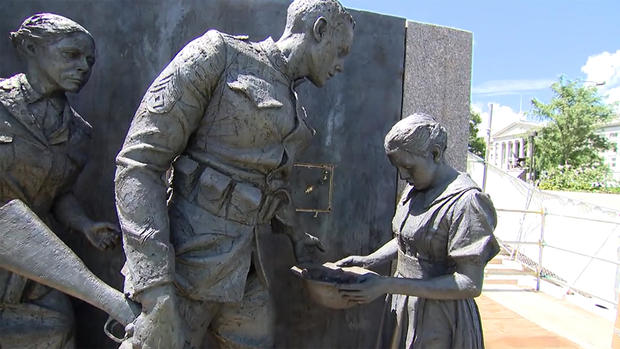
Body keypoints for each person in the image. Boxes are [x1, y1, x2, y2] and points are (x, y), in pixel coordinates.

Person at [114, 0, 355, 347]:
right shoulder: (220, 55)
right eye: (341, 50)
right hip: (186, 267)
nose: (341, 65)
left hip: (246, 272)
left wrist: (296, 237)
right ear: (319, 29)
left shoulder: (294, 103)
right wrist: (154, 285)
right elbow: (139, 163)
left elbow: (267, 187)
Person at [0, 13, 119, 349]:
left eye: (89, 61)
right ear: (30, 48)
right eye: (71, 55)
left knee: (58, 326)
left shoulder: (79, 134)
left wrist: (85, 226)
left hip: (35, 264)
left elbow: (59, 194)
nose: (83, 67)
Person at [335, 113, 499, 349]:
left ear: (435, 154)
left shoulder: (468, 202)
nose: (403, 175)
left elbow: (469, 283)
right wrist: (369, 260)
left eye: (408, 166)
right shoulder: (417, 189)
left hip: (439, 319)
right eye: (397, 167)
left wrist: (388, 284)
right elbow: (407, 240)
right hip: (404, 305)